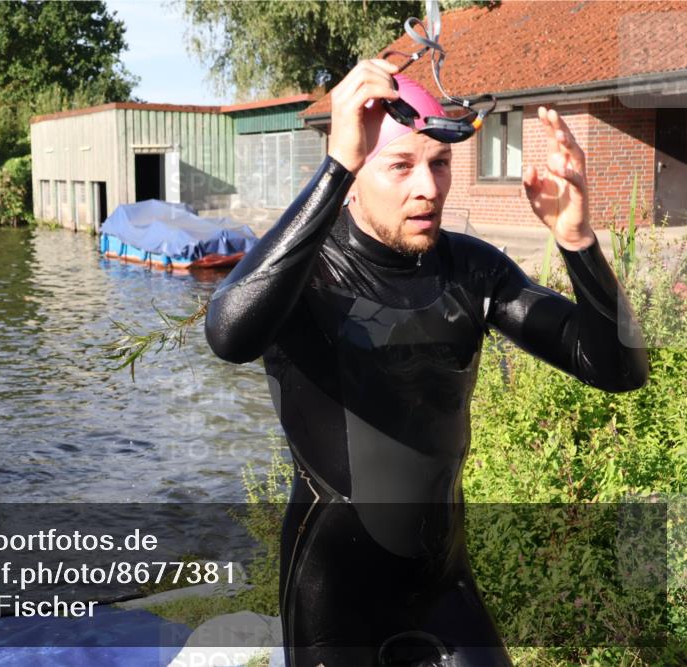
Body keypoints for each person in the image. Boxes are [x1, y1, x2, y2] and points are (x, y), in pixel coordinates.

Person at [204, 61, 648, 667]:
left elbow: (617, 369)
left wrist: (578, 241)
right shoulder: (310, 275)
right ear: (355, 175)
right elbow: (228, 333)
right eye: (401, 166)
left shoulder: (471, 270)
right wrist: (335, 166)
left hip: (441, 586)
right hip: (334, 597)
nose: (428, 188)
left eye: (440, 164)